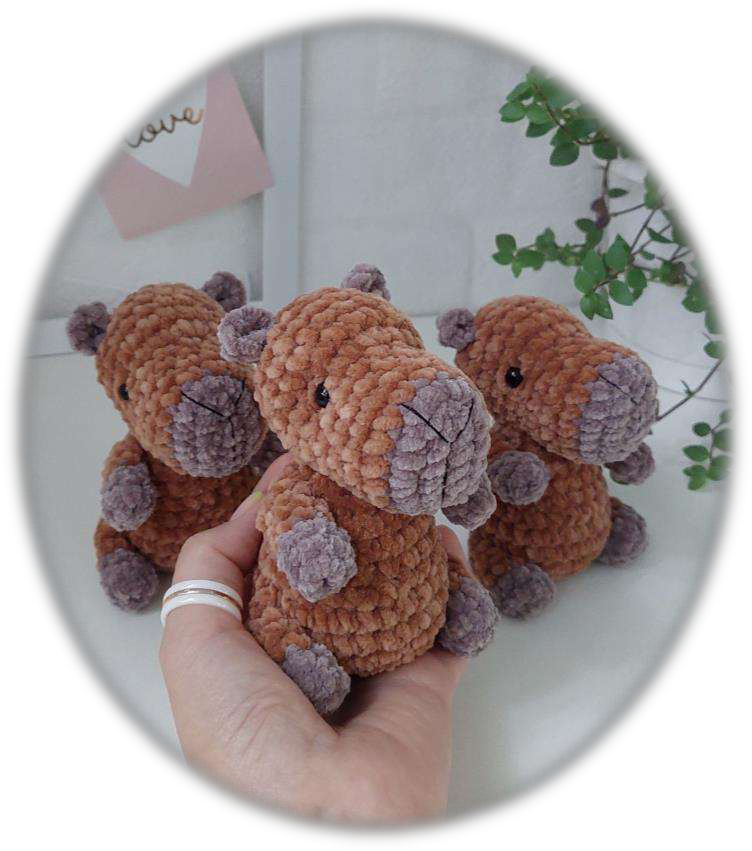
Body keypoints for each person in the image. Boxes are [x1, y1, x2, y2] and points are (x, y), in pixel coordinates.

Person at [160, 453, 472, 827]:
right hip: (315, 621)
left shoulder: (412, 483)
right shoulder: (304, 479)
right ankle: (292, 649)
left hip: (413, 615)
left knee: (440, 558)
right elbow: (286, 506)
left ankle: (457, 598)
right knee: (276, 611)